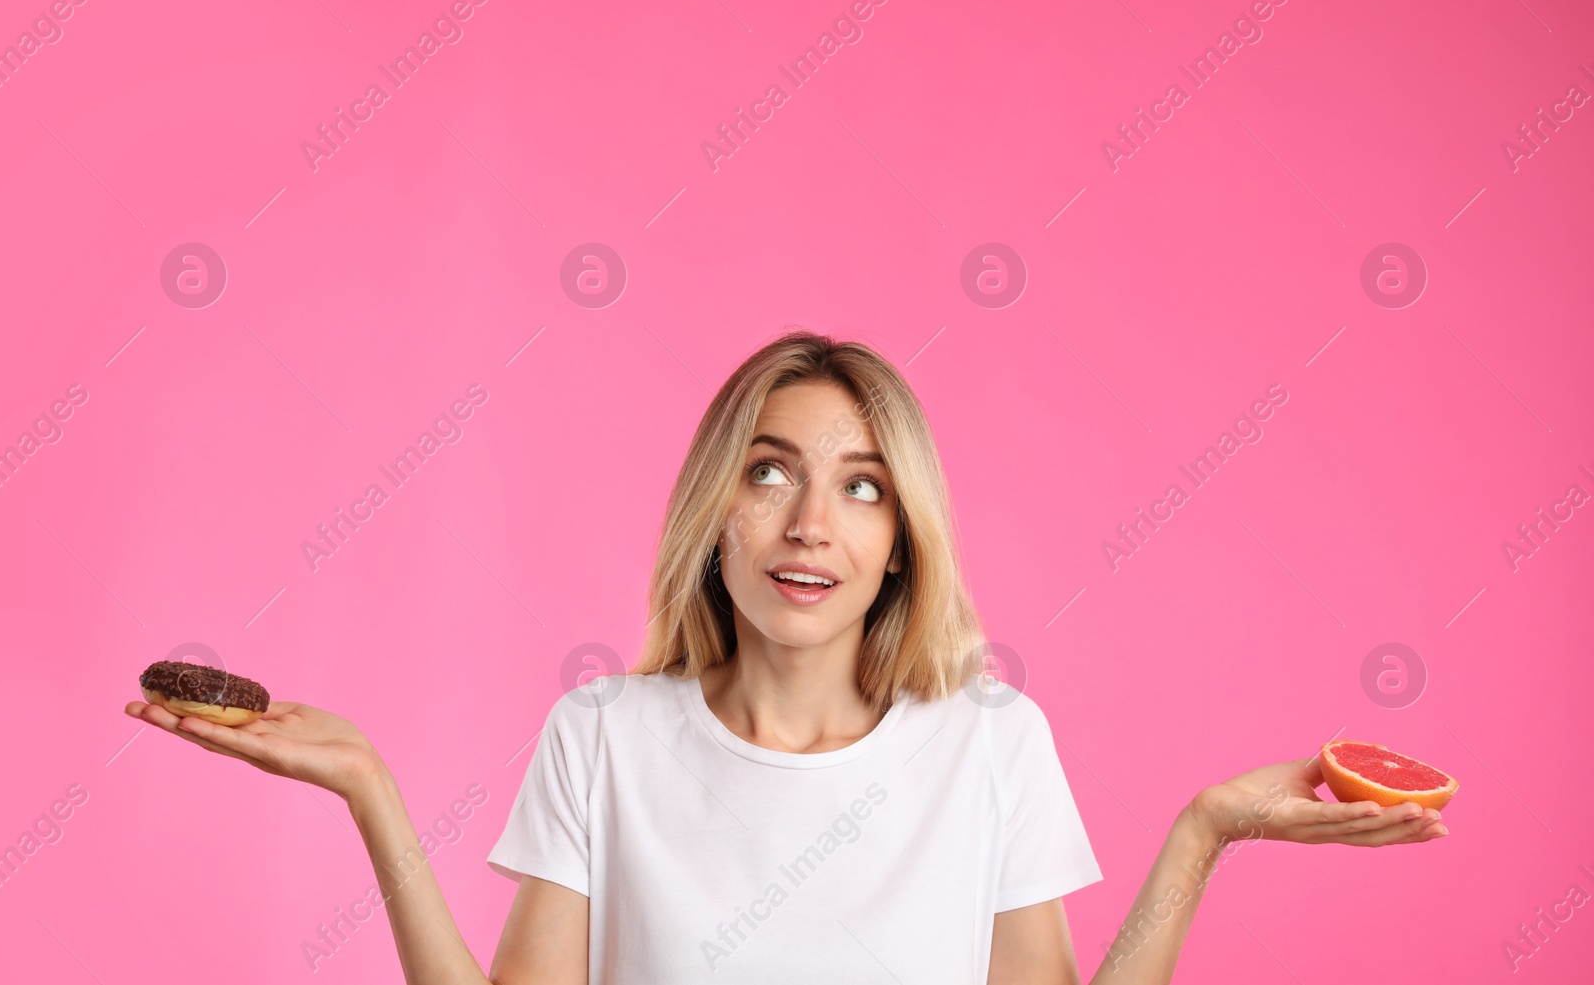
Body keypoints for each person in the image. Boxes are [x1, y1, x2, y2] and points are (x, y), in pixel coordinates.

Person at [124, 331, 1447, 983]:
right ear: (718, 506)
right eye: (773, 472)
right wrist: (371, 788)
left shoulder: (990, 741)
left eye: (864, 487)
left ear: (904, 535)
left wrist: (1203, 833)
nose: (812, 522)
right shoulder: (605, 735)